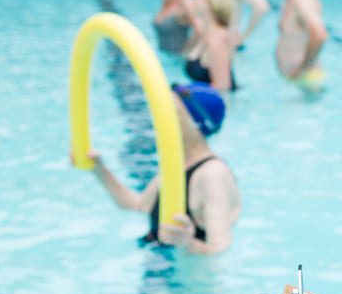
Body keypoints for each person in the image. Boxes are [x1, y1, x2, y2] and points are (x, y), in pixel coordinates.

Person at [82, 82, 240, 254]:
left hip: (188, 277)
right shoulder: (177, 164)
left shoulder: (211, 174)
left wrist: (187, 242)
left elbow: (220, 247)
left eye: (172, 113)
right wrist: (98, 169)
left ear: (195, 124)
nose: (159, 119)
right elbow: (137, 206)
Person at [184, 0, 238, 93]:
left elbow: (223, 88)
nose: (193, 0)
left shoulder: (217, 39)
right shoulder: (206, 33)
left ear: (211, 1)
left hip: (216, 105)